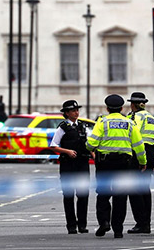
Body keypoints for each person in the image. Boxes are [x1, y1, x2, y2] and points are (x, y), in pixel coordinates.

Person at [86, 94, 146, 239]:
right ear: (121, 108)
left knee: (103, 194)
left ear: (107, 108)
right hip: (123, 164)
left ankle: (104, 222)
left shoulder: (102, 122)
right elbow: (138, 145)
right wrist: (142, 161)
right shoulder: (129, 123)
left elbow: (91, 144)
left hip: (104, 163)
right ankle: (118, 229)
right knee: (120, 196)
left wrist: (93, 147)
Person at [50, 99, 92, 234]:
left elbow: (89, 143)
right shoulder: (62, 127)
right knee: (69, 195)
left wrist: (93, 154)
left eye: (77, 110)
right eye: (73, 111)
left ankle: (82, 225)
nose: (76, 113)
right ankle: (71, 225)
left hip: (82, 163)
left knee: (83, 195)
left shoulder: (83, 126)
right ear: (67, 113)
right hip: (68, 164)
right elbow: (53, 145)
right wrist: (67, 151)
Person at [126, 92, 154, 234]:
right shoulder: (152, 118)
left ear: (132, 104)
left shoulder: (134, 117)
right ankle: (147, 223)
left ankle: (140, 223)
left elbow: (134, 136)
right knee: (145, 189)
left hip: (138, 152)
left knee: (134, 190)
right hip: (151, 153)